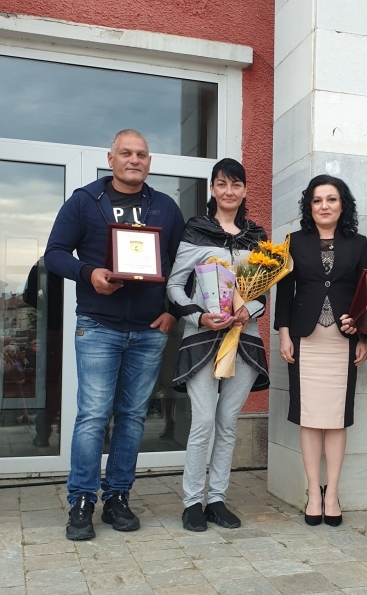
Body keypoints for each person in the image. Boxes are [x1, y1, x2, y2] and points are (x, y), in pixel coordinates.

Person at [45, 129, 185, 541]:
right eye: (126, 153)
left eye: (141, 154)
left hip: (149, 330)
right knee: (92, 415)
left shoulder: (165, 207)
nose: (134, 160)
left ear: (149, 162)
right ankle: (82, 501)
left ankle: (118, 497)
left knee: (133, 417)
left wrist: (173, 311)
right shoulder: (85, 201)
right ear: (111, 159)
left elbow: (183, 264)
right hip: (98, 326)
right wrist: (88, 273)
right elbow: (54, 254)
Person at [166, 158, 269, 533]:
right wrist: (199, 316)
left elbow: (263, 293)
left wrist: (248, 311)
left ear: (244, 189)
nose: (229, 191)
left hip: (244, 340)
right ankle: (192, 502)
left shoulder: (257, 236)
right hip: (203, 340)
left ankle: (217, 500)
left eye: (236, 184)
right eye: (222, 184)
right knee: (204, 421)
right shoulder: (196, 231)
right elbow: (174, 286)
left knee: (227, 423)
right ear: (212, 188)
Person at [274, 176, 367, 527]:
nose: (324, 206)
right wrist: (284, 335)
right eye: (317, 200)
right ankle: (314, 493)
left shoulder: (358, 243)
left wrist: (364, 336)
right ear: (309, 206)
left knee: (336, 418)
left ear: (343, 205)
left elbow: (365, 294)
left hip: (343, 341)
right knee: (311, 417)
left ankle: (333, 494)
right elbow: (284, 293)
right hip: (305, 340)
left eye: (331, 199)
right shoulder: (294, 242)